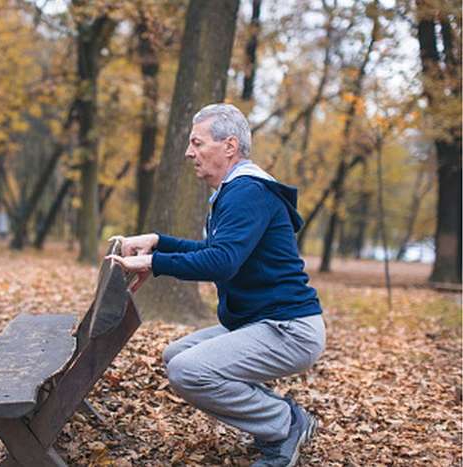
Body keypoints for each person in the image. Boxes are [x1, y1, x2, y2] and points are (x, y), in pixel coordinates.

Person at [107, 103, 325, 467]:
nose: (190, 152)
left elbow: (221, 263)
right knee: (175, 356)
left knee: (188, 371)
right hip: (263, 322)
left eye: (197, 142)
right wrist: (158, 241)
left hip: (289, 329)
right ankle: (278, 417)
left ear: (229, 146)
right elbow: (215, 251)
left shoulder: (247, 192)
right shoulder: (237, 192)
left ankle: (284, 424)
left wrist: (150, 262)